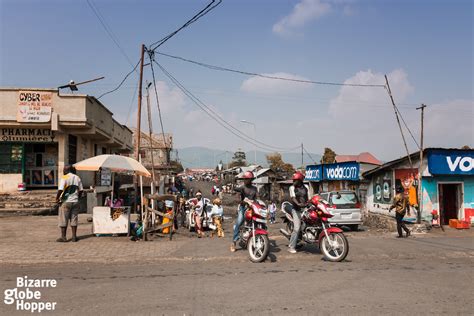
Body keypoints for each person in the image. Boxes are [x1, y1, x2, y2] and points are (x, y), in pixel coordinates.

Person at [231, 171, 258, 252]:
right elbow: (235, 189)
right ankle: (234, 242)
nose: (245, 180)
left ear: (251, 180)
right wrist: (233, 181)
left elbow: (257, 197)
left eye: (247, 179)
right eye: (244, 179)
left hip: (253, 208)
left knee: (259, 221)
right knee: (239, 223)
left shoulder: (255, 188)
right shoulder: (242, 188)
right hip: (243, 208)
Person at [55, 165, 83, 242]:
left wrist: (57, 198)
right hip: (75, 201)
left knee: (64, 219)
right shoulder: (77, 177)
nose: (63, 171)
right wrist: (78, 197)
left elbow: (60, 190)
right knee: (74, 218)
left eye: (64, 170)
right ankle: (74, 237)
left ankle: (63, 237)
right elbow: (81, 190)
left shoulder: (65, 177)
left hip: (65, 201)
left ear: (67, 170)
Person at [288, 171, 309, 254]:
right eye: (293, 180)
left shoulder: (306, 187)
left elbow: (309, 197)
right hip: (296, 209)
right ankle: (291, 246)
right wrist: (298, 204)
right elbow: (293, 197)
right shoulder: (292, 188)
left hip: (305, 209)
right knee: (297, 228)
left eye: (295, 180)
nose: (293, 182)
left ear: (300, 180)